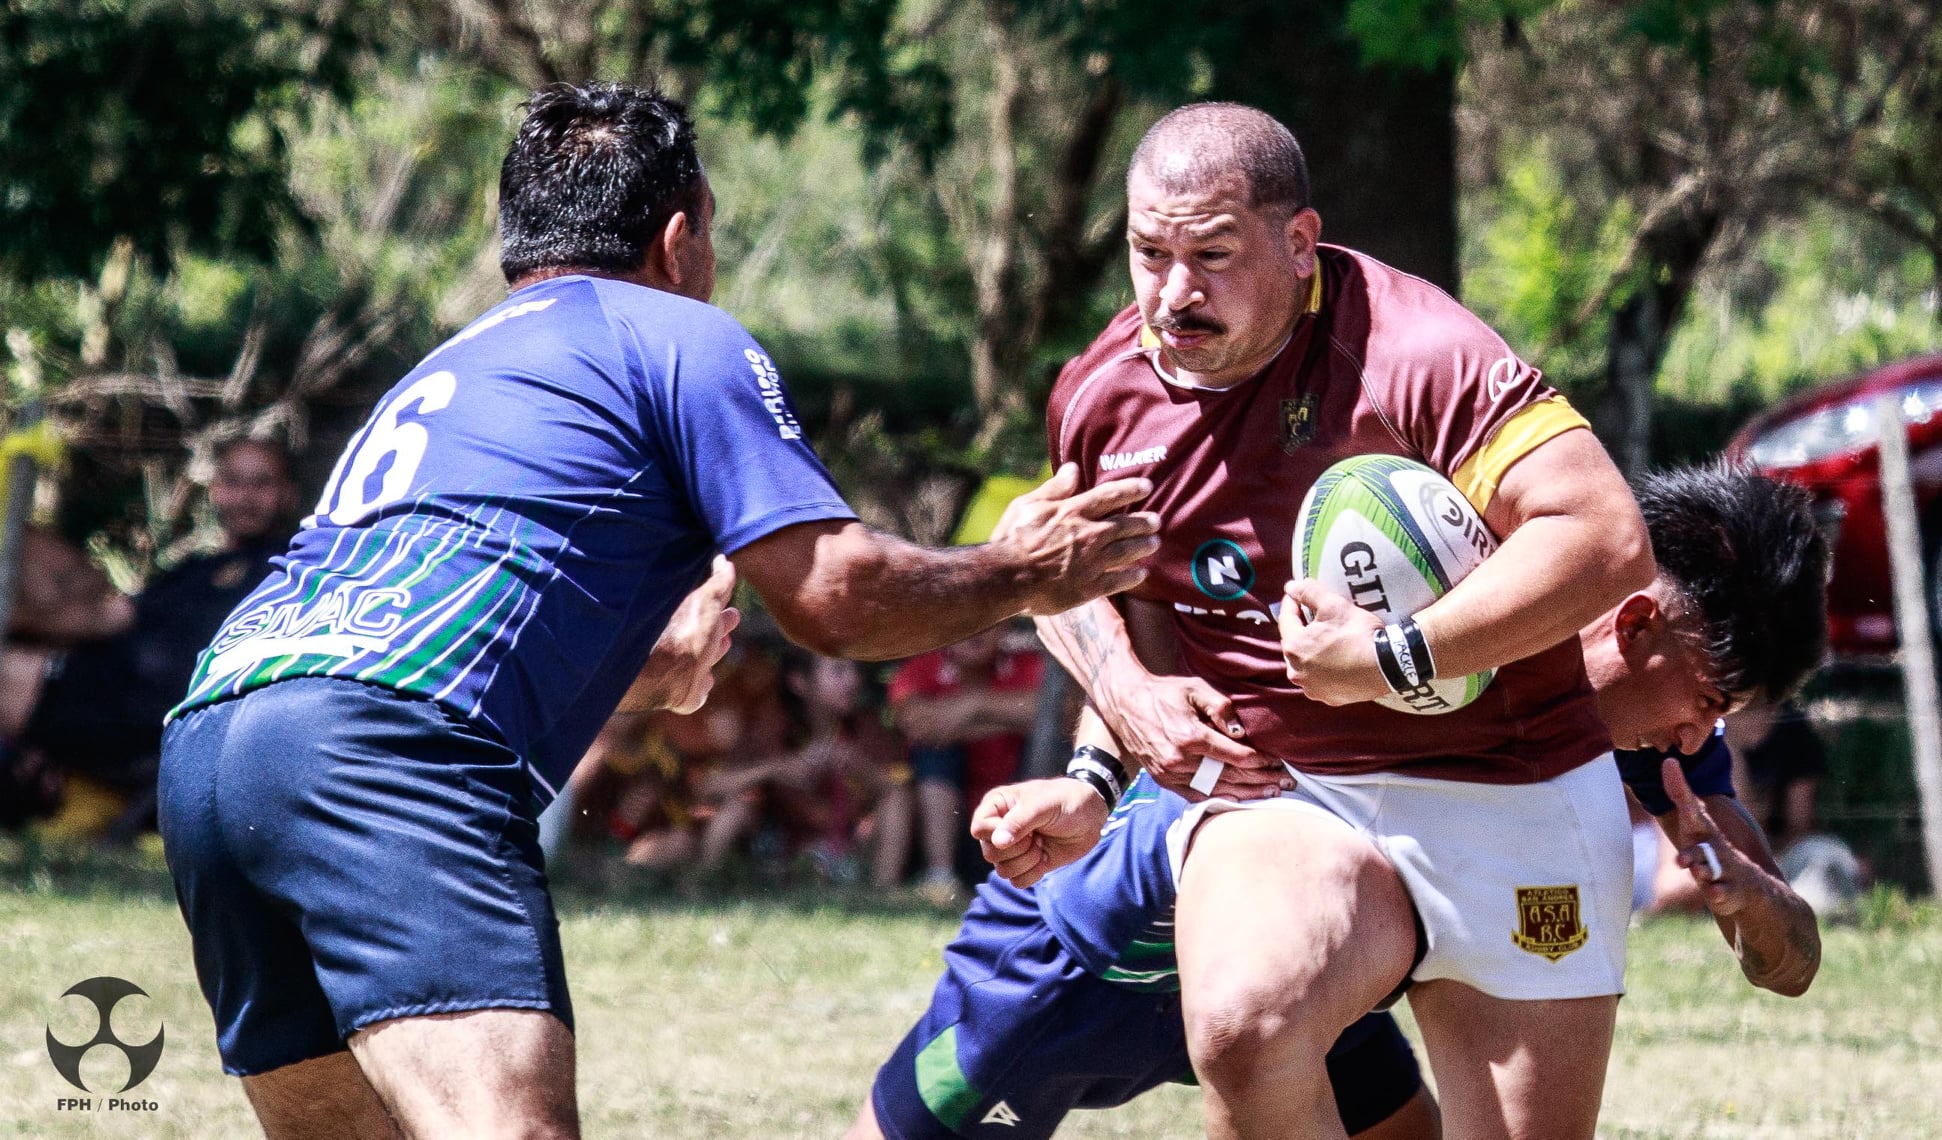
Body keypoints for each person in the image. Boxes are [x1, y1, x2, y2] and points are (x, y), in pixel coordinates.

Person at [156, 82, 1161, 1139]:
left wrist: (645, 668)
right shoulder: (677, 334)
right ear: (679, 238)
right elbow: (834, 600)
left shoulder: (450, 371)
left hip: (216, 740)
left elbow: (443, 615)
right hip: (379, 750)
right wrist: (1022, 569)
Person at [1026, 102, 1794, 1139]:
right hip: (1291, 789)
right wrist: (1120, 709)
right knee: (1247, 1027)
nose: (1172, 293)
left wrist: (1387, 659)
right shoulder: (1104, 394)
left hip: (1511, 788)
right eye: (1147, 253)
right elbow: (1058, 567)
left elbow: (1602, 535)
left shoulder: (1416, 353)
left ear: (1300, 245)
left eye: (1211, 255)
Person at [851, 465, 1828, 1140]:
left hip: (1308, 976)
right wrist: (1092, 773)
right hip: (1095, 948)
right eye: (1706, 701)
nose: (1704, 739)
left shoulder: (1641, 740)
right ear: (1637, 621)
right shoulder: (1412, 555)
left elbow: (1789, 957)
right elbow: (1068, 562)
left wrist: (1753, 901)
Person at [21, 437, 297, 839]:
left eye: (261, 484)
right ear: (216, 490)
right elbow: (116, 614)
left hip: (144, 714)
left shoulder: (290, 566)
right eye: (234, 483)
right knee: (31, 551)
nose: (246, 497)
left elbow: (110, 619)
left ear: (288, 493)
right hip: (98, 688)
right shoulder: (197, 568)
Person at [890, 626, 1043, 898]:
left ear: (1003, 628)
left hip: (1014, 824)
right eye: (969, 619)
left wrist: (975, 705)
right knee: (934, 752)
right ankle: (940, 877)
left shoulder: (1029, 666)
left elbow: (1054, 716)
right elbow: (918, 725)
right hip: (948, 827)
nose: (976, 630)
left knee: (1047, 744)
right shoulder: (920, 669)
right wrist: (1004, 720)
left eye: (989, 620)